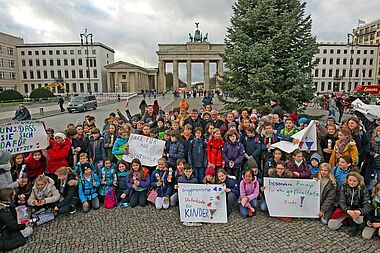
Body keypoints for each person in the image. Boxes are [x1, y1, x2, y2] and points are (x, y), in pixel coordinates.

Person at [328, 172, 371, 237]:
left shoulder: (363, 189)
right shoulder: (344, 187)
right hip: (345, 210)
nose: (351, 182)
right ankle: (346, 220)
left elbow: (367, 205)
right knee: (332, 226)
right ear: (347, 180)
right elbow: (341, 201)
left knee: (358, 219)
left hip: (357, 211)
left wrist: (359, 211)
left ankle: (358, 225)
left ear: (358, 181)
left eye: (354, 181)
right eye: (350, 180)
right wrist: (347, 210)